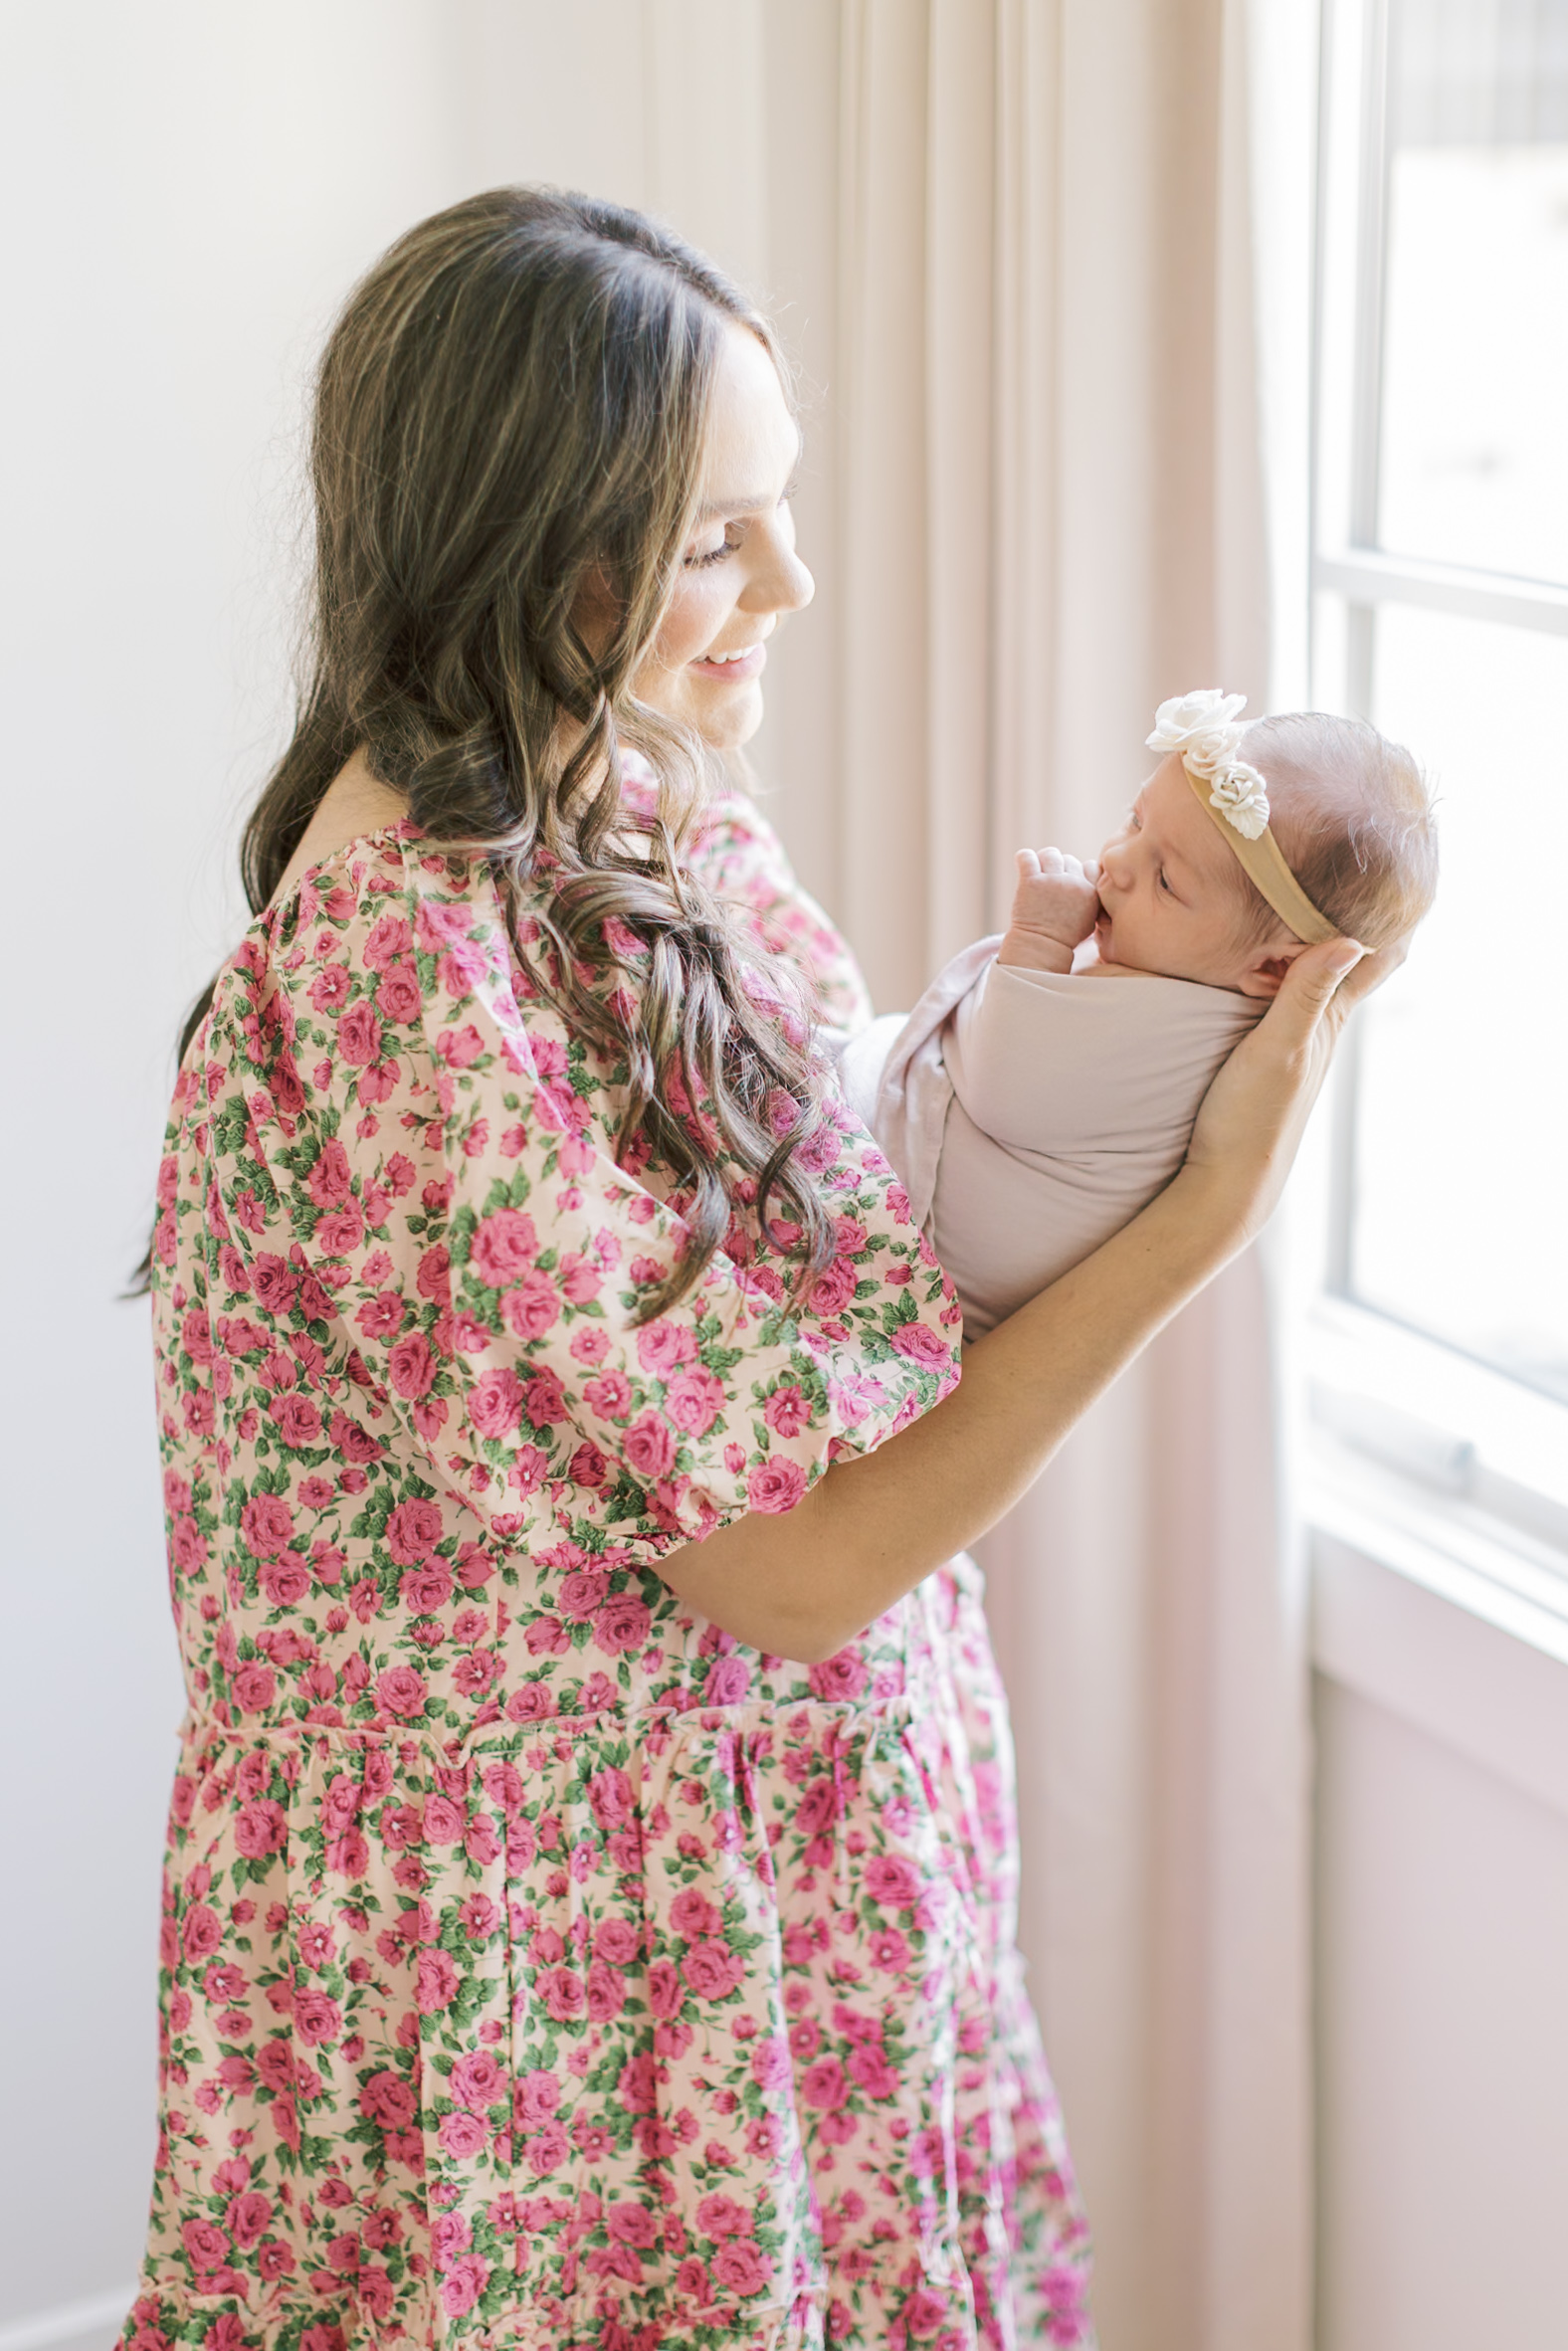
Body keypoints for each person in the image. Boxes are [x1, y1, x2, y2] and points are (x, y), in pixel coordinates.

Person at [120, 188, 1382, 2351]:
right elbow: (784, 1568)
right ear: (524, 544)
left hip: (767, 1904)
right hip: (572, 1989)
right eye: (721, 536)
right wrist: (1199, 1226)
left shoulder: (640, 814)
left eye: (773, 512)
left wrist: (1065, 1060)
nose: (788, 583)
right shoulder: (399, 986)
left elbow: (852, 1308)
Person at [843, 693, 1436, 1334]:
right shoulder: (1192, 987)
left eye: (1167, 882)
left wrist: (1039, 944)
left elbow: (998, 1084)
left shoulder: (1183, 1035)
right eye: (1135, 820)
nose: (1117, 862)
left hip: (897, 1272)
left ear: (1271, 969)